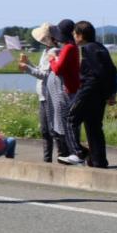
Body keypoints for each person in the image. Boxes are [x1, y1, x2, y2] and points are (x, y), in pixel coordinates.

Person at [67, 20, 117, 168]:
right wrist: (111, 93)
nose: (74, 37)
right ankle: (99, 161)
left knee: (70, 118)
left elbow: (98, 73)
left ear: (81, 35)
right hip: (100, 94)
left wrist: (88, 90)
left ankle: (78, 153)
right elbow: (112, 71)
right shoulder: (101, 48)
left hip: (88, 90)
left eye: (75, 34)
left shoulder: (88, 49)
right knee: (94, 127)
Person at [18, 22, 69, 163]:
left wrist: (27, 68)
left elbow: (46, 75)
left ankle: (62, 156)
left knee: (53, 129)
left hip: (50, 95)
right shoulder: (46, 51)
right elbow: (41, 70)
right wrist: (28, 63)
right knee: (45, 131)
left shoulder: (54, 52)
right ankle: (47, 160)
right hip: (43, 95)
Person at [49, 19, 83, 165]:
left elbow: (58, 69)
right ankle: (76, 152)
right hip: (73, 89)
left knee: (67, 123)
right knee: (70, 122)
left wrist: (51, 59)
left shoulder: (68, 48)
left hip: (68, 90)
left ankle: (75, 153)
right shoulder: (73, 47)